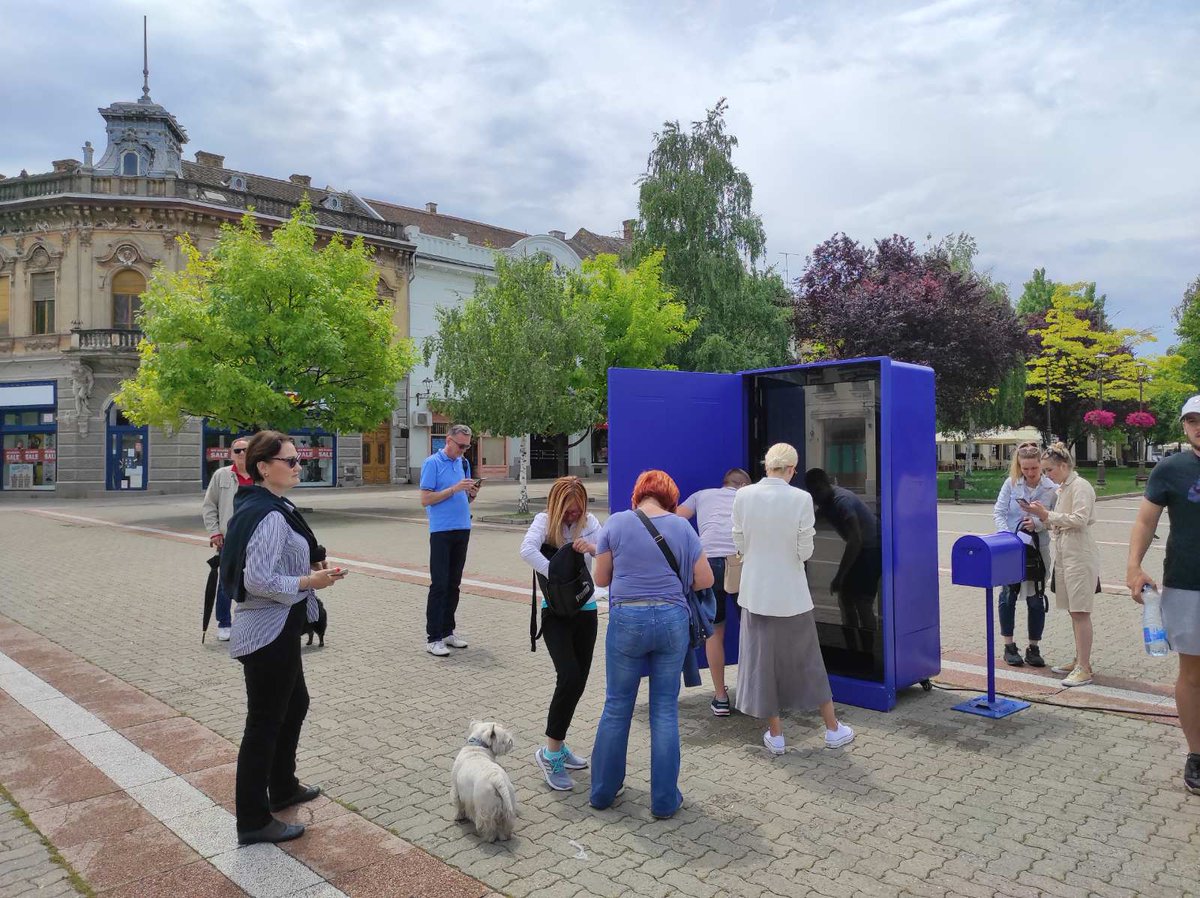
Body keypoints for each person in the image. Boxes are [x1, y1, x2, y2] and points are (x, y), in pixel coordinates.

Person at [219, 430, 347, 845]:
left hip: (281, 625)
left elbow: (282, 556)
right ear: (262, 467)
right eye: (290, 461)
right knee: (264, 724)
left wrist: (313, 563)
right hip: (267, 629)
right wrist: (311, 579)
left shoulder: (271, 505)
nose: (298, 466)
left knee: (295, 704)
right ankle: (254, 820)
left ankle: (282, 785)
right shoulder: (268, 513)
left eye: (299, 459)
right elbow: (258, 579)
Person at [589, 470, 713, 819]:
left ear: (638, 494)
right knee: (663, 709)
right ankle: (663, 800)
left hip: (627, 619)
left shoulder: (615, 524)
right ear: (670, 497)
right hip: (672, 621)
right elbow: (705, 578)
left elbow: (601, 579)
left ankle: (602, 792)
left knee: (616, 705)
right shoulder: (682, 527)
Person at [734, 445, 855, 755]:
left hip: (755, 593)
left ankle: (776, 735)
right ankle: (832, 729)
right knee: (809, 661)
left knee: (764, 664)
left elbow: (739, 542)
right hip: (792, 595)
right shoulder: (801, 499)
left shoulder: (743, 495)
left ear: (767, 466)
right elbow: (805, 551)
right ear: (791, 469)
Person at [1127, 396, 1200, 795]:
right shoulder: (1171, 469)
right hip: (1188, 584)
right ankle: (1196, 754)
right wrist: (1133, 566)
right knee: (1193, 674)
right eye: (1192, 420)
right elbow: (1144, 519)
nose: (1198, 426)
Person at [520, 476, 601, 791]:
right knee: (567, 677)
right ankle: (550, 754)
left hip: (586, 610)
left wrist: (590, 546)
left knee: (578, 682)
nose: (572, 516)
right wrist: (556, 573)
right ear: (555, 507)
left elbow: (604, 552)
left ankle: (559, 743)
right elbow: (526, 550)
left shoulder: (590, 522)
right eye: (567, 512)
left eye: (576, 511)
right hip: (554, 613)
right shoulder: (543, 522)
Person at [677, 467, 752, 716]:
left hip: (707, 563)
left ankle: (720, 698)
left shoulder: (701, 495)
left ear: (724, 483)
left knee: (715, 632)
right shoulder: (749, 497)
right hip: (739, 563)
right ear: (743, 485)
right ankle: (753, 693)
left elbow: (675, 518)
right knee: (752, 628)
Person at [1027, 442, 1100, 687]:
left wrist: (1047, 516)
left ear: (1064, 465)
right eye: (1045, 471)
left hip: (1079, 555)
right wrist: (1042, 517)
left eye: (1050, 470)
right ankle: (1080, 659)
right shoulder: (1063, 489)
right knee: (1073, 610)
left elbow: (1080, 519)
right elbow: (1060, 522)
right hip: (1066, 554)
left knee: (1080, 610)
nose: (1048, 475)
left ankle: (1084, 667)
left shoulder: (1081, 487)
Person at [990, 442, 1057, 667]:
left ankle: (1034, 647)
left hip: (1038, 549)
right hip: (1012, 547)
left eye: (1034, 469)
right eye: (1025, 468)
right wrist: (1006, 534)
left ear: (1041, 466)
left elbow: (1056, 519)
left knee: (1036, 598)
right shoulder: (1011, 484)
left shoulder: (1051, 488)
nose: (1029, 473)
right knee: (1008, 595)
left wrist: (1037, 523)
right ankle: (1009, 645)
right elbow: (999, 512)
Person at [804, 467, 882, 656]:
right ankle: (854, 650)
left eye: (817, 492)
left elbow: (856, 540)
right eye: (812, 494)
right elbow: (812, 523)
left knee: (862, 602)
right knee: (846, 599)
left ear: (826, 484)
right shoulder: (826, 501)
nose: (816, 498)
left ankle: (867, 653)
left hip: (872, 550)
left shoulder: (842, 501)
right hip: (866, 549)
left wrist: (840, 575)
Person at [420, 423, 480, 657]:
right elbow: (426, 499)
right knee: (440, 584)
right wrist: (455, 489)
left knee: (454, 584)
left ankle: (447, 631)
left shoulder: (463, 463)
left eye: (467, 446)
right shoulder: (432, 463)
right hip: (441, 530)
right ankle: (433, 637)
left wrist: (471, 494)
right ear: (448, 440)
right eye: (461, 446)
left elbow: (464, 499)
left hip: (462, 527)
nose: (464, 451)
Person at [201, 437, 253, 641]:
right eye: (238, 450)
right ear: (231, 454)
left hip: (255, 537)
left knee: (255, 580)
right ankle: (224, 622)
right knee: (226, 582)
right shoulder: (222, 476)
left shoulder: (260, 474)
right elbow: (209, 505)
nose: (242, 454)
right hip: (229, 539)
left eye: (246, 450)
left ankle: (251, 620)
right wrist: (214, 532)